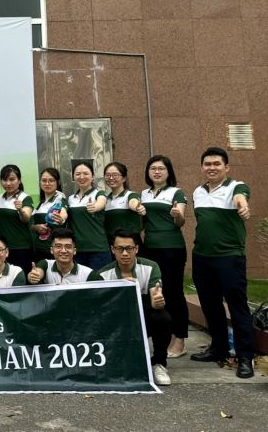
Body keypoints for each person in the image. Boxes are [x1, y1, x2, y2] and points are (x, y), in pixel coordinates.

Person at [189, 147, 255, 379]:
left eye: (217, 164)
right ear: (202, 167)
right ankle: (219, 348)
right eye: (207, 164)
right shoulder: (198, 191)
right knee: (210, 306)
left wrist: (242, 205)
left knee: (237, 307)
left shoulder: (236, 186)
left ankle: (245, 357)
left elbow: (241, 197)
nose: (212, 168)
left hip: (229, 258)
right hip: (202, 257)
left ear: (226, 167)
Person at [93, 229, 172, 386]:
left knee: (162, 317)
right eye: (119, 248)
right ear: (112, 249)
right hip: (117, 321)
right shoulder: (103, 274)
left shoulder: (150, 267)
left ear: (136, 249)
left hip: (144, 319)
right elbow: (101, 310)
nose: (124, 253)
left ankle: (159, 363)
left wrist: (157, 301)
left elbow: (155, 296)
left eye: (129, 248)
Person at [139, 155, 189, 358]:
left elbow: (180, 222)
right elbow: (142, 224)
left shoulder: (176, 192)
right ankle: (161, 336)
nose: (157, 172)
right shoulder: (143, 194)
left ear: (169, 172)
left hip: (171, 248)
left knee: (174, 293)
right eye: (153, 168)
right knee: (153, 292)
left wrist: (178, 215)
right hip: (149, 249)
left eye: (161, 168)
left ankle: (180, 339)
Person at [66, 161, 110, 271]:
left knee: (98, 281)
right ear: (73, 177)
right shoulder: (71, 198)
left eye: (86, 173)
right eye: (78, 174)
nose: (81, 177)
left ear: (93, 176)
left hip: (98, 249)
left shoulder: (99, 193)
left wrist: (95, 207)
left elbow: (102, 201)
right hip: (77, 250)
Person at [0, 164, 34, 273]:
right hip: (2, 248)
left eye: (12, 179)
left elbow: (26, 218)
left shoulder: (25, 198)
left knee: (21, 277)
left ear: (19, 180)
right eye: (4, 180)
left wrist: (20, 210)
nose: (8, 183)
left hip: (21, 248)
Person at [27, 228, 95, 285]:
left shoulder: (87, 274)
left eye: (68, 246)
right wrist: (34, 276)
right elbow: (38, 272)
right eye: (58, 246)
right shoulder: (46, 264)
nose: (63, 251)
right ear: (51, 250)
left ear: (74, 251)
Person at [31, 167, 68, 263]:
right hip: (38, 249)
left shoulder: (60, 200)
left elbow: (63, 213)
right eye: (44, 180)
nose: (47, 183)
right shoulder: (40, 203)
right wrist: (36, 227)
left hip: (54, 250)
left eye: (51, 180)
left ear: (58, 182)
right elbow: (32, 225)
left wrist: (61, 219)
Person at [103, 162, 142, 236]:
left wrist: (137, 207)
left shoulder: (130, 195)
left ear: (124, 178)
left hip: (129, 241)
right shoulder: (105, 199)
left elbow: (133, 202)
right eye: (107, 175)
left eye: (115, 175)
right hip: (110, 241)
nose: (111, 178)